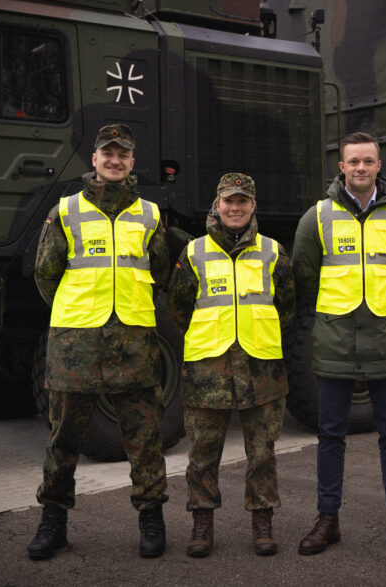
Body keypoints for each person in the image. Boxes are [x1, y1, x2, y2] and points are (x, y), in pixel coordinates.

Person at [27, 123, 170, 560]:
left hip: (133, 343)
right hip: (76, 345)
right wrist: (76, 319)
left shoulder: (150, 214)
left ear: (131, 161)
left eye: (123, 154)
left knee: (145, 437)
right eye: (107, 153)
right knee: (64, 437)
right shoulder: (66, 211)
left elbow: (159, 273)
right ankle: (53, 521)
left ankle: (151, 519)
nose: (114, 160)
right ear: (94, 159)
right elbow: (46, 275)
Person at [293, 131, 386, 556]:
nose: (360, 168)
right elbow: (305, 274)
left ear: (378, 165)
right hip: (334, 343)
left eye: (367, 161)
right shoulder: (316, 217)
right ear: (341, 167)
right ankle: (327, 520)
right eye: (352, 161)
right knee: (330, 435)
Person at [167, 173, 296, 558]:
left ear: (252, 206)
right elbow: (179, 308)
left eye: (243, 202)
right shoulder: (194, 252)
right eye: (229, 201)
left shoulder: (274, 252)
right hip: (208, 370)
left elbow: (287, 308)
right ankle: (202, 525)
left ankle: (262, 524)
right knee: (203, 453)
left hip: (263, 371)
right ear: (217, 205)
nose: (235, 208)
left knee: (263, 454)